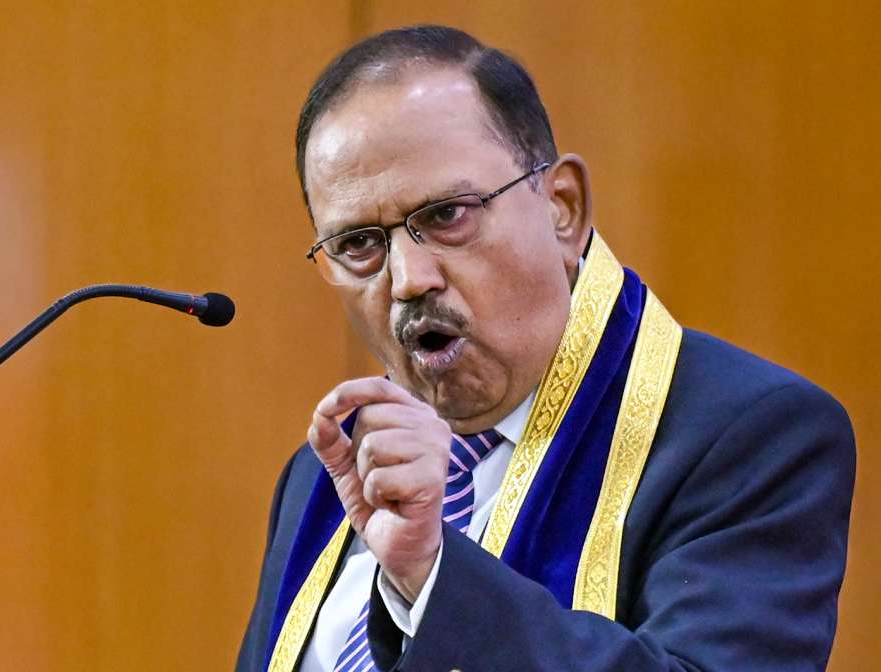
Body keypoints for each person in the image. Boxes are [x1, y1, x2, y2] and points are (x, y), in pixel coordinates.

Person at [235, 25, 855, 672]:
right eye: (359, 243)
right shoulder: (323, 478)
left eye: (448, 214)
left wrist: (435, 575)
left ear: (563, 208)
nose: (410, 278)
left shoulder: (749, 436)